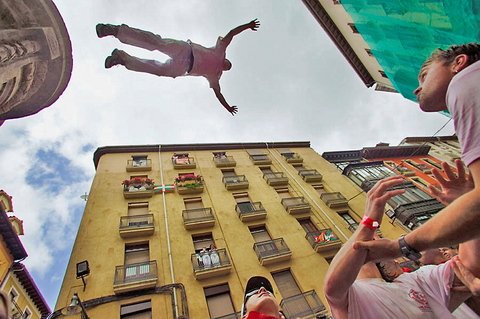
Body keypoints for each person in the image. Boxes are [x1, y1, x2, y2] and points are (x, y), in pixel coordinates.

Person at [354, 47, 480, 261]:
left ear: (458, 63)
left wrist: (401, 246)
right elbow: (473, 264)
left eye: (424, 76)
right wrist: (468, 201)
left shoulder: (464, 82)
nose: (416, 89)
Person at [324, 176, 480, 318]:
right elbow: (333, 288)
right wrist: (368, 224)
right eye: (368, 242)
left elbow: (468, 267)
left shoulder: (419, 280)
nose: (376, 239)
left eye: (376, 238)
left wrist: (467, 207)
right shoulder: (353, 299)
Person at [95, 19, 260, 115]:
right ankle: (115, 30)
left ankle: (121, 58)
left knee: (160, 70)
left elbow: (218, 94)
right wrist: (248, 25)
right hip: (186, 50)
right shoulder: (220, 51)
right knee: (157, 43)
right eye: (227, 64)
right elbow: (231, 33)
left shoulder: (215, 76)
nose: (225, 66)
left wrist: (228, 107)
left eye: (226, 68)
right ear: (226, 60)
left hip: (183, 68)